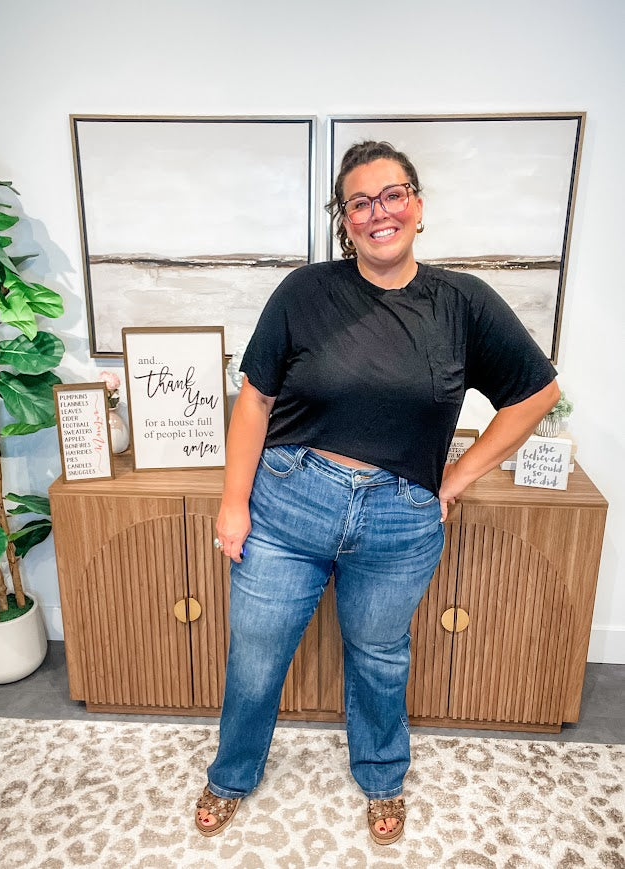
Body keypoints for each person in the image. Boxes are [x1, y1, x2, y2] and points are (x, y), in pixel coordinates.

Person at [195, 140, 560, 844]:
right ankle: (231, 773)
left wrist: (454, 478)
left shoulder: (461, 303)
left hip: (399, 521)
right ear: (345, 220)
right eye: (358, 202)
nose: (377, 212)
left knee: (380, 655)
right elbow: (254, 400)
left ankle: (383, 777)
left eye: (391, 195)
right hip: (288, 505)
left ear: (417, 206)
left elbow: (536, 392)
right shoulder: (305, 291)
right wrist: (232, 502)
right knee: (256, 654)